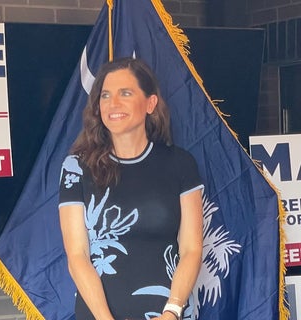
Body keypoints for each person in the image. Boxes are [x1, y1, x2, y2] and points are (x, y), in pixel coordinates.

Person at [58, 57, 203, 320]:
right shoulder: (76, 167)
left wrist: (173, 310)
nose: (113, 103)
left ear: (150, 103)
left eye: (125, 93)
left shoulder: (181, 163)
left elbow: (191, 249)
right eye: (105, 95)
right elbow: (77, 255)